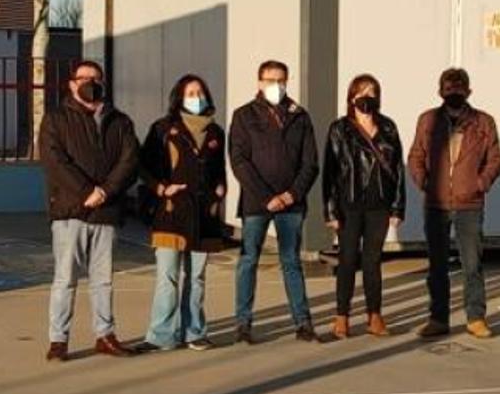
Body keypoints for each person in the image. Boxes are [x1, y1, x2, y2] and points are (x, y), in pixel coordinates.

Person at [39, 60, 139, 361]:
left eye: (95, 78)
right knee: (65, 279)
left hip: (106, 212)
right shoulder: (56, 120)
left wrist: (106, 191)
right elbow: (55, 161)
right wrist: (87, 192)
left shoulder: (119, 121)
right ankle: (59, 340)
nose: (89, 82)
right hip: (71, 212)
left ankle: (105, 335)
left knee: (103, 279)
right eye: (83, 78)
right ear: (71, 84)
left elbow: (130, 160)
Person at [408, 68, 500, 339]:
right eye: (449, 89)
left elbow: (495, 160)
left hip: (469, 205)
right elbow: (416, 155)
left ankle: (476, 317)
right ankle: (438, 318)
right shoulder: (428, 120)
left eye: (459, 89)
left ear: (469, 91)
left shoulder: (483, 122)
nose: (454, 94)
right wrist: (424, 182)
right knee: (437, 265)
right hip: (436, 204)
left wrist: (480, 183)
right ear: (440, 92)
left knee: (472, 263)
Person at [229, 60, 320, 343]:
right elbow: (239, 160)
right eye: (270, 80)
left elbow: (311, 163)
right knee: (248, 261)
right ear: (259, 82)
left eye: (281, 80)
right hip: (257, 204)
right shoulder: (244, 116)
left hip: (291, 204)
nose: (276, 86)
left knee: (291, 261)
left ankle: (302, 322)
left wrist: (291, 194)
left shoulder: (300, 116)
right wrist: (266, 197)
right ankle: (243, 324)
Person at [136, 74, 227, 353]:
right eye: (190, 92)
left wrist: (220, 189)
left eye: (200, 92)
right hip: (171, 214)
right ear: (179, 97)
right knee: (168, 277)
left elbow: (218, 168)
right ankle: (160, 334)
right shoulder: (163, 129)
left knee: (197, 277)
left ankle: (194, 331)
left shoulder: (215, 132)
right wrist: (162, 189)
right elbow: (143, 167)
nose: (196, 97)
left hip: (205, 216)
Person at [322, 74, 406, 339]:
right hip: (349, 205)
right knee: (347, 260)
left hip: (379, 205)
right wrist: (331, 211)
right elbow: (330, 173)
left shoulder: (388, 128)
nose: (366, 97)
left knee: (372, 261)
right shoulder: (339, 129)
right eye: (361, 92)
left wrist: (397, 207)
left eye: (372, 92)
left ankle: (375, 315)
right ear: (351, 97)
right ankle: (342, 316)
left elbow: (398, 170)